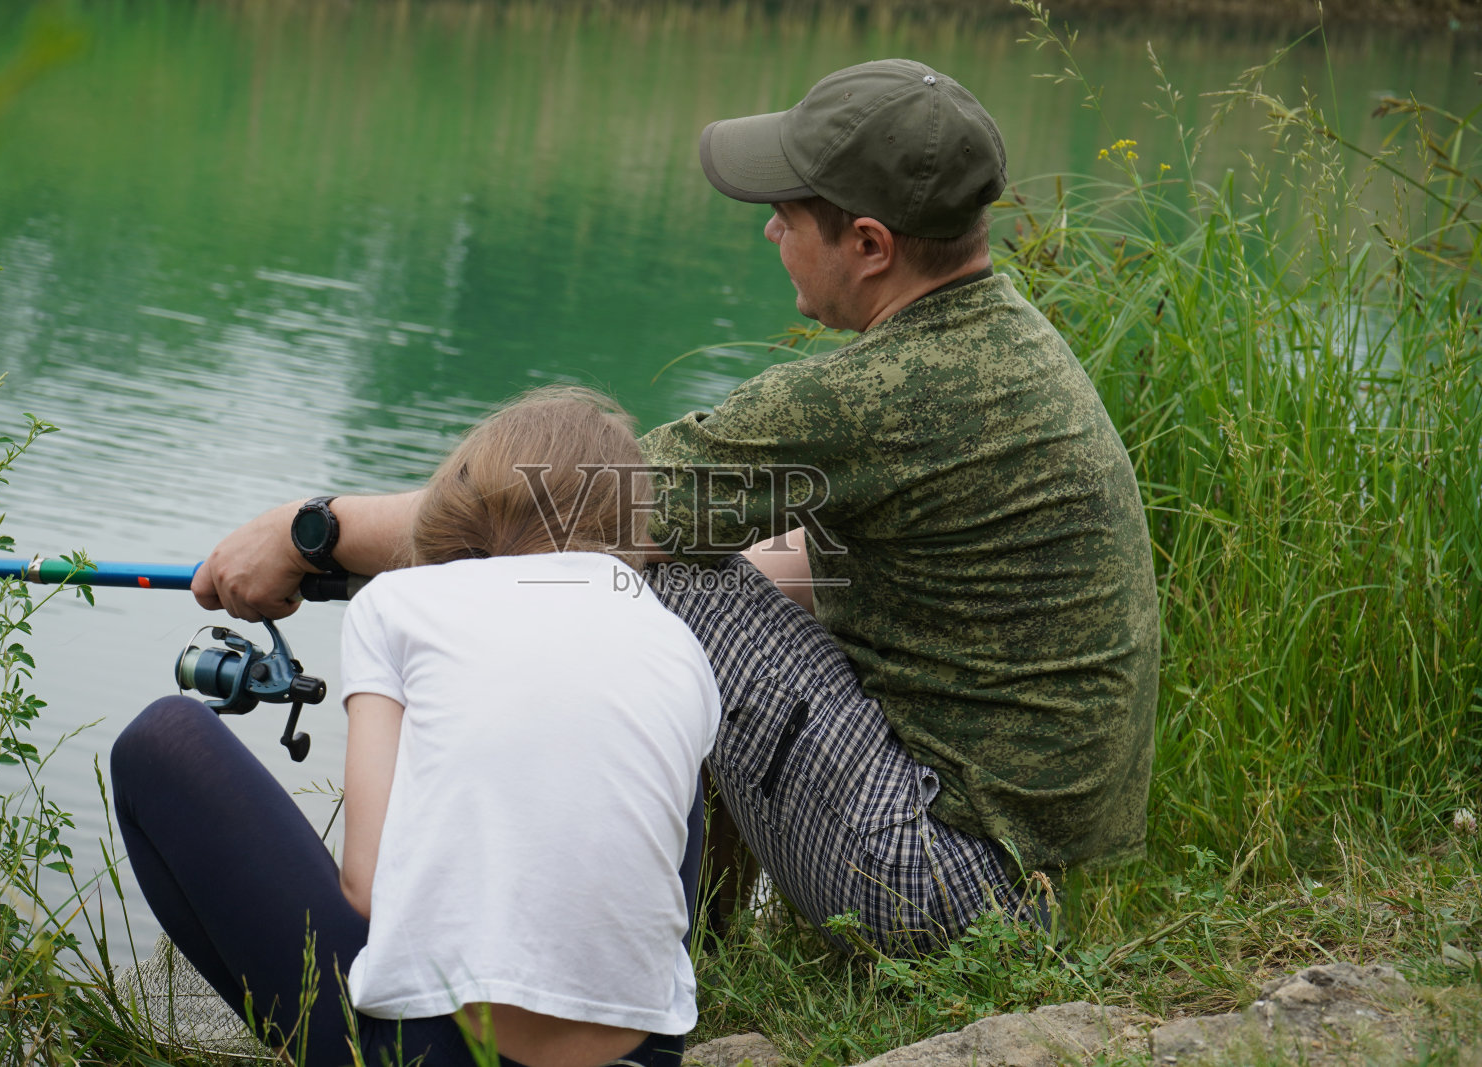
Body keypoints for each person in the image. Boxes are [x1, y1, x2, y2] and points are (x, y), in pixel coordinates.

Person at [192, 59, 1159, 952]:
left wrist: (308, 531)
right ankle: (705, 932)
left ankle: (602, 933)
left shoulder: (881, 393)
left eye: (787, 212)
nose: (769, 230)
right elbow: (810, 566)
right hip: (1018, 879)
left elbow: (560, 510)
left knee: (662, 564)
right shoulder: (1004, 340)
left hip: (937, 885)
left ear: (868, 243)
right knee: (705, 556)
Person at [113, 387, 720, 1067]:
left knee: (159, 739)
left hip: (438, 1050)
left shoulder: (397, 602)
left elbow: (369, 887)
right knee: (658, 738)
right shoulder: (678, 643)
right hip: (648, 1051)